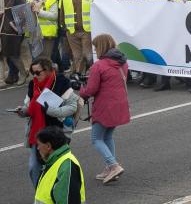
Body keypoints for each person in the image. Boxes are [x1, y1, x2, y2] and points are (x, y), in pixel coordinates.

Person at [18, 57, 78, 186]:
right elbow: (29, 108)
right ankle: (41, 195)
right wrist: (23, 111)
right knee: (34, 168)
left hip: (56, 133)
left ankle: (57, 193)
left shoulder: (61, 81)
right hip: (37, 135)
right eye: (32, 73)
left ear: (49, 70)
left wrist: (52, 111)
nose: (35, 76)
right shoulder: (32, 84)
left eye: (38, 72)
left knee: (56, 169)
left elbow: (73, 107)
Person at [79, 33, 130, 183]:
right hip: (120, 104)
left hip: (105, 106)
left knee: (96, 138)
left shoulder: (99, 65)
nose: (94, 50)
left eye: (95, 47)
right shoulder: (123, 63)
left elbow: (91, 90)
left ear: (100, 47)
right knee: (107, 136)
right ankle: (110, 167)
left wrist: (81, 89)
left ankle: (113, 165)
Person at [33, 126, 85, 204]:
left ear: (48, 146)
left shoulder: (66, 167)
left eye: (39, 144)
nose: (38, 148)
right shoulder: (53, 161)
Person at [1, 0, 29, 84]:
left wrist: (14, 25)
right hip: (3, 30)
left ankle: (23, 73)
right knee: (7, 55)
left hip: (14, 31)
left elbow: (24, 15)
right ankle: (11, 76)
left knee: (14, 55)